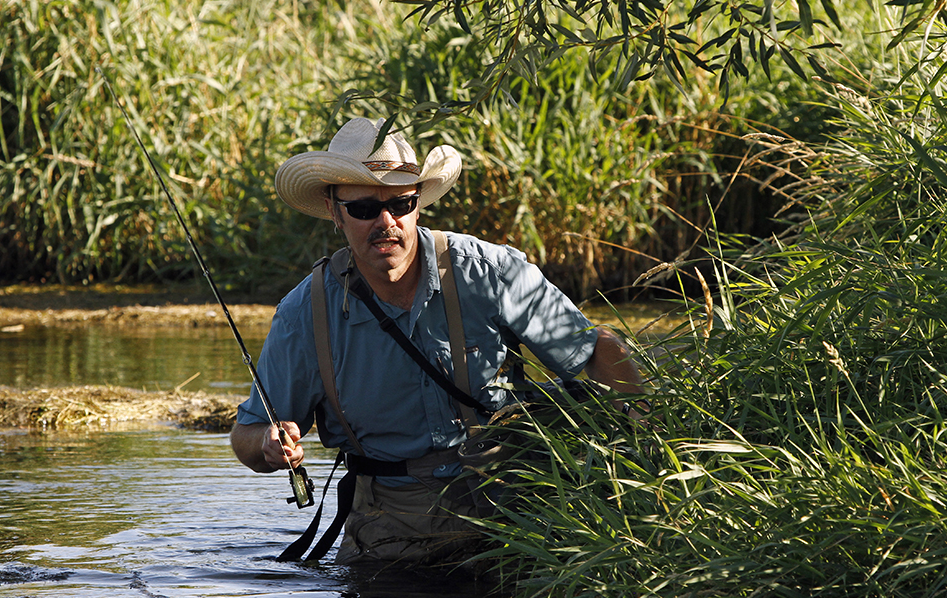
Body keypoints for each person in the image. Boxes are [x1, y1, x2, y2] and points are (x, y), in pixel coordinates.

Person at [231, 117, 644, 564]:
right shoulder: (305, 314)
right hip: (389, 533)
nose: (387, 222)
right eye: (365, 209)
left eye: (402, 204)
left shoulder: (487, 271)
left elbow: (597, 350)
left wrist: (646, 451)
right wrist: (271, 443)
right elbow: (246, 436)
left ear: (419, 204)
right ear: (334, 210)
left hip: (516, 514)